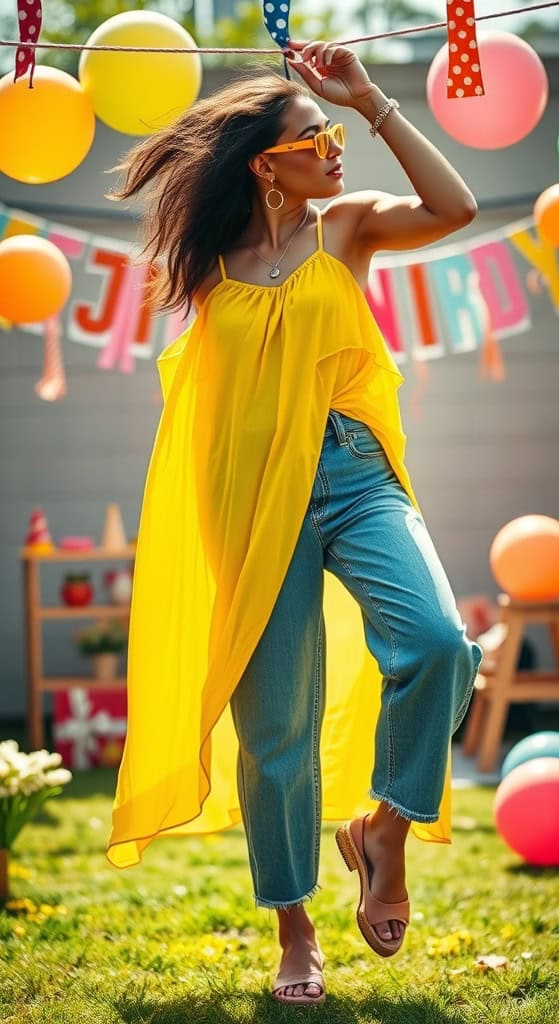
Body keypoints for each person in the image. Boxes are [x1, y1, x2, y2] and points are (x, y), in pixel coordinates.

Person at [106, 39, 484, 1007]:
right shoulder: (209, 269)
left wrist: (367, 104)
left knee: (440, 643)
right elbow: (203, 408)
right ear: (266, 165)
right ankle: (295, 929)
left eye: (331, 134)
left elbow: (458, 210)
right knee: (275, 731)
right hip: (251, 500)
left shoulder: (346, 228)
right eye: (315, 136)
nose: (333, 148)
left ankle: (384, 830)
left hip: (355, 477)